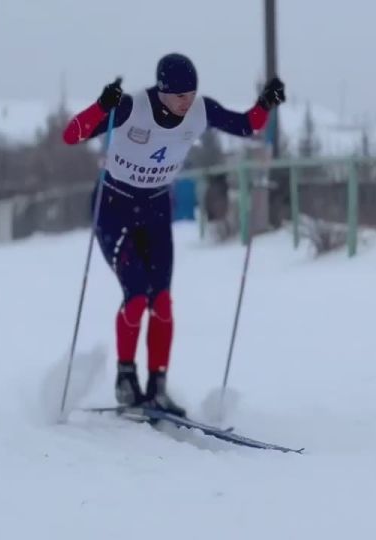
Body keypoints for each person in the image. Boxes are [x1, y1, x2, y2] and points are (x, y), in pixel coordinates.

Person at [62, 53, 286, 416]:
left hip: (154, 209)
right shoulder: (132, 107)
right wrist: (101, 106)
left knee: (162, 302)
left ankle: (157, 386)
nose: (187, 102)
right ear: (162, 92)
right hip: (114, 208)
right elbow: (73, 134)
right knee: (135, 296)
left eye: (192, 94)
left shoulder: (199, 111)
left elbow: (248, 126)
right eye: (180, 95)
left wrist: (266, 103)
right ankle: (125, 377)